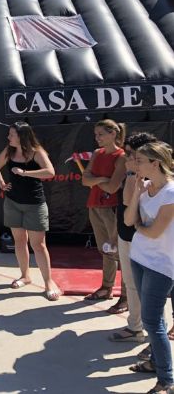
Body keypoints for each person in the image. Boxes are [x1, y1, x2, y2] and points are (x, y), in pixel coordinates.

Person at [0, 121, 61, 301]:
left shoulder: (37, 152)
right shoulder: (9, 151)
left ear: (22, 136)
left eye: (11, 134)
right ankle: (25, 275)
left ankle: (48, 282)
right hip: (13, 202)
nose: (8, 137)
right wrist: (2, 184)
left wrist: (25, 173)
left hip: (34, 204)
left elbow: (50, 172)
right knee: (19, 241)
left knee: (39, 245)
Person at [124, 142, 174, 394]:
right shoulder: (145, 188)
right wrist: (136, 191)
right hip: (140, 258)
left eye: (140, 160)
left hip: (162, 265)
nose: (135, 165)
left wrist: (139, 230)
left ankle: (167, 380)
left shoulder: (171, 193)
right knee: (155, 318)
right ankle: (155, 363)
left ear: (155, 163)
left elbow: (153, 232)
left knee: (152, 320)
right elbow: (128, 218)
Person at [109, 132, 156, 344]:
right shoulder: (134, 173)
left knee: (150, 289)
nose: (126, 157)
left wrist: (130, 173)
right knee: (131, 284)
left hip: (145, 240)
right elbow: (124, 206)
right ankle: (135, 327)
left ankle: (154, 337)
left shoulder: (154, 178)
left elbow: (129, 202)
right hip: (126, 235)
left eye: (131, 154)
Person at [81, 119, 126, 302]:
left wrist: (95, 179)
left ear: (113, 134)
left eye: (100, 134)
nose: (97, 138)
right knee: (104, 249)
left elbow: (113, 187)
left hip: (112, 209)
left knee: (118, 251)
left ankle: (125, 295)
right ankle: (106, 288)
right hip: (95, 206)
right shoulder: (97, 153)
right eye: (95, 134)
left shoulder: (121, 156)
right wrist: (101, 179)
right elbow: (85, 180)